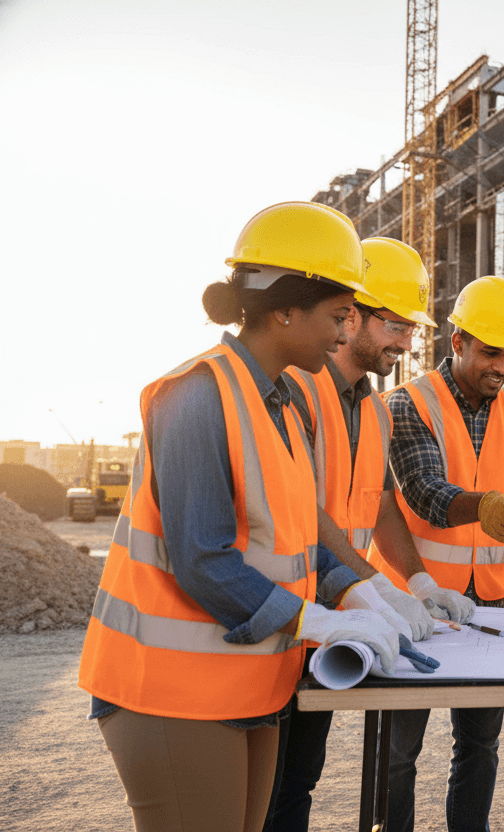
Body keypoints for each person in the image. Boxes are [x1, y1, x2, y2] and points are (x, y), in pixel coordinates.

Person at [77, 202, 416, 832]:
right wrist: (316, 620)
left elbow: (293, 537)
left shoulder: (280, 403)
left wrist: (366, 592)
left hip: (251, 684)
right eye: (338, 316)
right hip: (171, 692)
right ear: (286, 308)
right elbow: (201, 559)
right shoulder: (197, 394)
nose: (345, 335)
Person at [267, 236, 457, 832]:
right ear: (353, 315)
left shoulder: (375, 408)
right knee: (266, 790)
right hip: (285, 614)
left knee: (300, 779)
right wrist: (374, 588)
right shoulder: (297, 387)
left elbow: (379, 505)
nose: (406, 343)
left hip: (335, 617)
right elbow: (304, 509)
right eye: (397, 325)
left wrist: (418, 582)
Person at [383, 274, 504, 832]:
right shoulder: (408, 402)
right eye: (490, 352)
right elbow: (422, 489)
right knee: (398, 752)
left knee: (480, 743)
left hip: (489, 604)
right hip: (413, 600)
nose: (502, 366)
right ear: (458, 343)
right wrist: (484, 505)